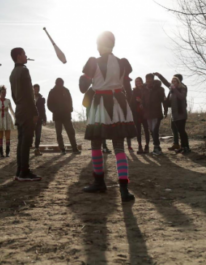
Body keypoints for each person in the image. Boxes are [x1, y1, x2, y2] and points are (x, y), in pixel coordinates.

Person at [79, 31, 136, 202]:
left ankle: (99, 182)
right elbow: (128, 88)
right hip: (119, 103)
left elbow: (83, 87)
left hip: (101, 105)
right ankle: (124, 189)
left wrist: (85, 77)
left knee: (96, 144)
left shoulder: (93, 62)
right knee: (119, 147)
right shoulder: (122, 63)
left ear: (101, 45)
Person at [9, 47, 41, 181]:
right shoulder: (24, 70)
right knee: (26, 141)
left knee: (21, 141)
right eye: (24, 54)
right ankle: (24, 172)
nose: (26, 56)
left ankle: (19, 171)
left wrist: (20, 105)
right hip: (27, 110)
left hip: (19, 109)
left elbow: (13, 95)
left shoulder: (12, 73)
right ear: (18, 56)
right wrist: (35, 112)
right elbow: (29, 93)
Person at [154, 72, 186, 151]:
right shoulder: (172, 88)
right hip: (174, 113)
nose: (172, 82)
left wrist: (174, 89)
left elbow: (181, 97)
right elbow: (166, 82)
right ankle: (176, 144)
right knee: (174, 128)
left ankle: (184, 147)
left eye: (174, 80)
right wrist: (159, 76)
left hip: (180, 113)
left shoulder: (182, 87)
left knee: (181, 130)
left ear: (178, 80)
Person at [47, 78, 81, 155]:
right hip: (57, 116)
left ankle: (74, 148)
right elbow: (49, 104)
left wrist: (70, 108)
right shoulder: (52, 92)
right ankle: (62, 149)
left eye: (62, 83)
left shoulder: (66, 90)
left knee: (71, 132)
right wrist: (55, 110)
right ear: (56, 83)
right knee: (59, 133)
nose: (61, 85)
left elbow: (70, 100)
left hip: (66, 115)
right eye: (60, 83)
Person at [141, 74, 167, 155]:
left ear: (153, 79)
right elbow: (143, 100)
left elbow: (163, 100)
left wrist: (165, 111)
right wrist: (142, 105)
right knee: (152, 131)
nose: (148, 80)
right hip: (148, 114)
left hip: (156, 113)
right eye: (147, 79)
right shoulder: (144, 89)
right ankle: (157, 147)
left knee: (155, 131)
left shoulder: (159, 89)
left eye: (149, 79)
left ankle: (157, 148)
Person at [0, 85, 16, 158]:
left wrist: (15, 117)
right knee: (0, 136)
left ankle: (7, 151)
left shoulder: (8, 101)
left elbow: (11, 109)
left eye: (5, 92)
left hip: (7, 117)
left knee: (7, 135)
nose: (4, 94)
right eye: (2, 92)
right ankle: (1, 152)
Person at [130, 77, 150, 154]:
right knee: (138, 131)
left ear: (142, 81)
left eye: (139, 81)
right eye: (136, 81)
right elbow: (132, 102)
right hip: (137, 114)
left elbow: (149, 100)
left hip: (145, 113)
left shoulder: (146, 89)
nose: (138, 83)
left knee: (146, 130)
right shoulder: (134, 91)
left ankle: (147, 146)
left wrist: (142, 101)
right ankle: (140, 146)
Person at [33, 84, 47, 156]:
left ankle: (37, 149)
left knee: (38, 135)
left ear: (39, 90)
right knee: (29, 135)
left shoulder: (41, 99)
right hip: (30, 120)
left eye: (37, 89)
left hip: (39, 119)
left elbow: (43, 109)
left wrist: (44, 119)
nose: (36, 90)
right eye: (34, 89)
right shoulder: (29, 98)